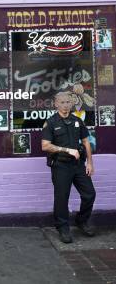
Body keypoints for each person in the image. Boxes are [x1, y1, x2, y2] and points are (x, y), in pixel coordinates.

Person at [41, 91, 96, 244]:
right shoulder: (51, 122)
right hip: (60, 166)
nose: (65, 105)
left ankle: (82, 220)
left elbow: (86, 142)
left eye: (68, 102)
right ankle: (63, 228)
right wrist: (66, 150)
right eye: (62, 102)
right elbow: (45, 146)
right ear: (56, 104)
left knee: (89, 194)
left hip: (78, 165)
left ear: (72, 103)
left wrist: (90, 163)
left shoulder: (77, 120)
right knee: (61, 198)